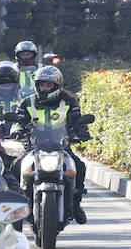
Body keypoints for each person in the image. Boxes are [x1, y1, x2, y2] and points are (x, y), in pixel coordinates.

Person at [16, 65, 89, 224]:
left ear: (57, 86)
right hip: (34, 147)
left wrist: (82, 130)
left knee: (79, 166)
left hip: (61, 147)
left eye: (49, 85)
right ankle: (17, 204)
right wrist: (17, 130)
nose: (45, 88)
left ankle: (76, 206)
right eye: (42, 85)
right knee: (15, 165)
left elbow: (77, 120)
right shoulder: (27, 103)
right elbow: (18, 121)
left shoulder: (69, 102)